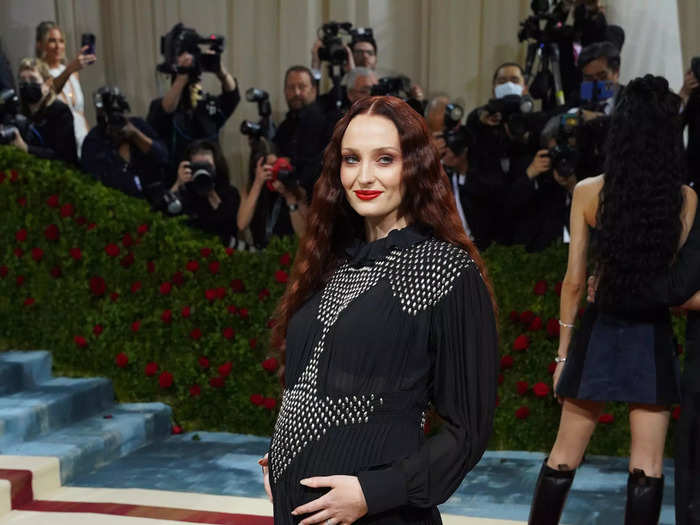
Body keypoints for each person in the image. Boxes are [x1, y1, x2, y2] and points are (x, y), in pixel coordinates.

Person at [259, 96, 498, 524]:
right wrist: (284, 450)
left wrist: (373, 492)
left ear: (416, 166)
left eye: (384, 159)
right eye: (351, 160)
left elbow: (468, 431)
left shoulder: (444, 269)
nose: (363, 176)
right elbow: (312, 387)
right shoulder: (334, 262)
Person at [528, 75, 697, 525]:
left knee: (563, 456)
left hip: (599, 334)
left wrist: (563, 352)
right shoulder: (686, 201)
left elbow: (573, 282)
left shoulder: (588, 192)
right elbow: (676, 284)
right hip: (653, 339)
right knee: (648, 466)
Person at [147, 50, 239, 172]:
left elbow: (232, 96)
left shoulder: (209, 106)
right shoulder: (162, 106)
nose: (196, 83)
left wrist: (221, 72)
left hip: (210, 178)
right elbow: (165, 111)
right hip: (177, 177)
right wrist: (182, 77)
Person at [81, 86, 169, 202]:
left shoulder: (138, 126)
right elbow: (94, 178)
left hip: (152, 198)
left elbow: (162, 157)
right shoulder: (94, 139)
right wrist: (116, 150)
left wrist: (136, 135)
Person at [35, 21, 94, 155]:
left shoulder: (73, 73)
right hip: (62, 144)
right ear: (40, 44)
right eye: (52, 41)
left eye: (61, 41)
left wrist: (91, 140)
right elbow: (52, 90)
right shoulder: (38, 72)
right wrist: (69, 69)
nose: (58, 46)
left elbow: (80, 113)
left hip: (83, 139)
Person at [5, 58, 77, 164]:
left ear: (47, 83)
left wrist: (27, 149)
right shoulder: (17, 112)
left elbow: (64, 157)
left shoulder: (60, 112)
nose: (27, 84)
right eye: (22, 80)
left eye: (33, 79)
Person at [273, 65, 332, 196]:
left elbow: (326, 161)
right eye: (291, 87)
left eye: (302, 87)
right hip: (285, 198)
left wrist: (292, 163)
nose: (296, 93)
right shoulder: (283, 127)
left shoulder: (327, 122)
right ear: (284, 91)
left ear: (313, 90)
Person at [237, 140, 308, 248]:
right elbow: (242, 224)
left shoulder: (295, 188)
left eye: (274, 165)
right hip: (260, 252)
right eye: (267, 168)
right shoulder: (250, 189)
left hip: (288, 252)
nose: (272, 171)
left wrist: (289, 197)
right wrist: (258, 183)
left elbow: (304, 234)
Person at [170, 139, 240, 246]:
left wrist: (210, 192)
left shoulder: (229, 193)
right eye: (197, 166)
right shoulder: (185, 193)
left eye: (207, 166)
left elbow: (229, 227)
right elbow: (162, 218)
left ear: (216, 166)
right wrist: (177, 184)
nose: (202, 170)